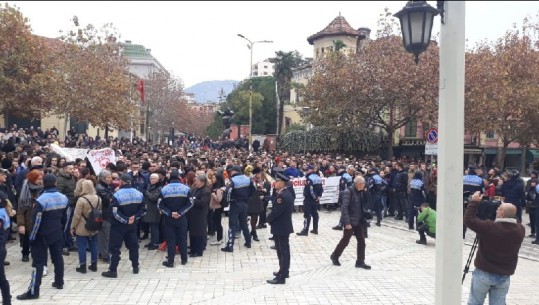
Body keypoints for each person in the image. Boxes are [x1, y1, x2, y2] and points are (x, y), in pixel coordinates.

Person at [464, 191, 525, 305]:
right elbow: (513, 216)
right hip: (504, 275)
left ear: (501, 214)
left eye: (498, 208)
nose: (496, 209)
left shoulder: (489, 227)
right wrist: (505, 207)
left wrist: (474, 202)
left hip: (484, 273)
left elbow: (469, 220)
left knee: (475, 302)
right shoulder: (520, 230)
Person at [17, 174, 68, 300]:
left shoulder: (41, 200)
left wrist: (32, 238)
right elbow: (65, 218)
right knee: (58, 258)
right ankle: (59, 282)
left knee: (38, 263)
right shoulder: (64, 198)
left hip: (41, 235)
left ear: (43, 184)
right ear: (55, 183)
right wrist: (61, 231)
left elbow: (36, 222)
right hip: (56, 233)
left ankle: (34, 291)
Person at [101, 174, 145, 278]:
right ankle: (135, 267)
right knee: (134, 246)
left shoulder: (117, 194)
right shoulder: (139, 193)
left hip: (118, 226)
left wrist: (125, 220)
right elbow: (143, 209)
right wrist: (134, 218)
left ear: (122, 181)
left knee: (115, 248)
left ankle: (113, 270)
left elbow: (114, 212)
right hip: (132, 225)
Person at [330, 176, 371, 270]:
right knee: (345, 240)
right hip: (350, 221)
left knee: (361, 241)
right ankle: (335, 256)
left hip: (359, 221)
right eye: (363, 184)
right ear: (358, 184)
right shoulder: (348, 192)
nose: (365, 185)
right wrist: (347, 223)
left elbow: (360, 206)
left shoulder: (360, 192)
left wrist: (366, 214)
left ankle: (360, 262)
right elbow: (344, 208)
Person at [158, 169, 193, 267]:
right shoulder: (185, 188)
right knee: (182, 238)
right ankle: (184, 259)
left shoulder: (164, 189)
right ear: (179, 177)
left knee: (171, 240)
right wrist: (180, 213)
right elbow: (191, 203)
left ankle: (170, 261)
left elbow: (160, 205)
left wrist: (170, 213)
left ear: (170, 177)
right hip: (182, 218)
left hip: (169, 219)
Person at [266, 172, 294, 285]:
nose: (275, 183)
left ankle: (281, 277)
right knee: (284, 250)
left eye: (277, 181)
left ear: (282, 183)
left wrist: (267, 219)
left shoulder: (282, 196)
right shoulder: (287, 192)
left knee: (282, 251)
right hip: (283, 226)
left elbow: (276, 212)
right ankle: (284, 271)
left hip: (280, 226)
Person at [221, 166, 254, 252]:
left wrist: (227, 201)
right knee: (244, 224)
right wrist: (247, 197)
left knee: (232, 225)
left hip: (235, 204)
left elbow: (228, 192)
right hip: (244, 204)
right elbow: (253, 189)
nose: (230, 173)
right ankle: (248, 242)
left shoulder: (233, 180)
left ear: (234, 171)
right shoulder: (247, 179)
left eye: (231, 171)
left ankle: (230, 246)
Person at [71, 180, 100, 274]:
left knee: (82, 246)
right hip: (94, 225)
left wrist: (72, 227)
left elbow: (76, 215)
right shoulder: (98, 198)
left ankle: (82, 266)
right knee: (94, 245)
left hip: (82, 226)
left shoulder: (81, 200)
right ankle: (94, 265)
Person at [297, 165, 323, 236]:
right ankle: (315, 229)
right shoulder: (318, 177)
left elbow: (310, 189)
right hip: (316, 199)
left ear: (311, 170)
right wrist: (318, 197)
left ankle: (305, 230)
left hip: (309, 199)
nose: (306, 171)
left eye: (307, 170)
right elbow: (321, 188)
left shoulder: (309, 178)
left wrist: (314, 197)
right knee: (315, 214)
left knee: (307, 215)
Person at [188, 174, 210, 257]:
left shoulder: (206, 191)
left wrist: (193, 199)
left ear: (202, 182)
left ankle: (198, 251)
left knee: (199, 233)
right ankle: (193, 249)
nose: (195, 182)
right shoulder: (194, 189)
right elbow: (190, 196)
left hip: (200, 215)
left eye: (197, 181)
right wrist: (192, 198)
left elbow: (202, 203)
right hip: (192, 214)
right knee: (192, 232)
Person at [96, 170, 114, 263]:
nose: (111, 179)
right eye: (108, 177)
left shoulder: (105, 186)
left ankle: (102, 252)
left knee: (103, 236)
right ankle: (105, 255)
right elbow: (107, 201)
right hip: (104, 214)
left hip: (105, 213)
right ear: (103, 179)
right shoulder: (101, 188)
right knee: (105, 236)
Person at [0, 175, 13, 305]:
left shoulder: (1, 214)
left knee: (1, 277)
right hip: (1, 246)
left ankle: (7, 300)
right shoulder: (4, 211)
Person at [142, 173, 162, 250]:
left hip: (155, 210)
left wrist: (146, 192)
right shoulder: (149, 186)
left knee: (154, 227)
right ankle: (152, 241)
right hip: (149, 209)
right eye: (151, 178)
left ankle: (155, 243)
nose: (152, 180)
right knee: (152, 227)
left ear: (157, 179)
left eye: (154, 179)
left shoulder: (159, 188)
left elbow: (153, 198)